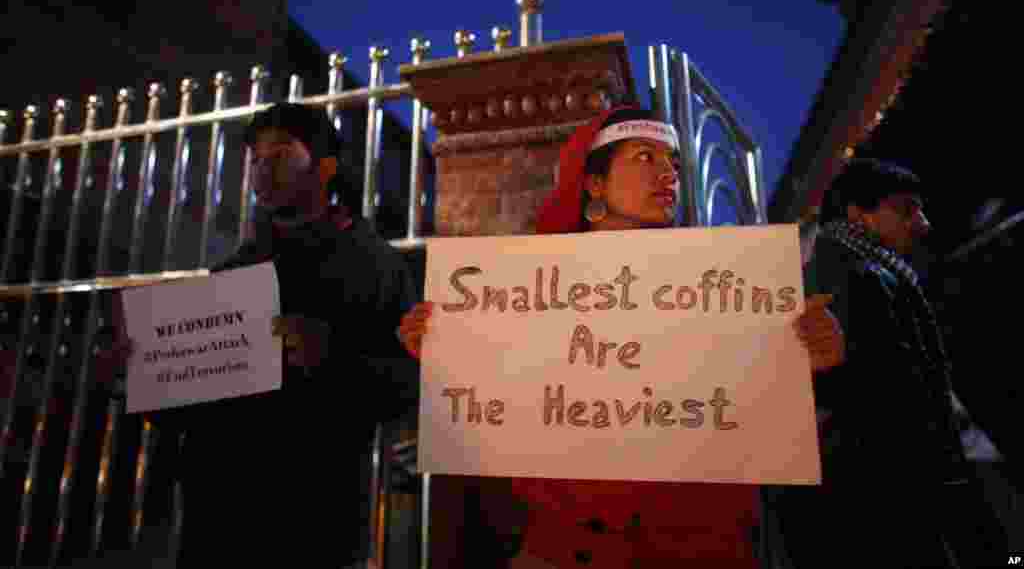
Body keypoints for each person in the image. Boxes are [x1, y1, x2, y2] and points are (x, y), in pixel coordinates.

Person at [400, 105, 844, 568]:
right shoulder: (524, 293)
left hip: (699, 549)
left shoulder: (721, 291)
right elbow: (490, 431)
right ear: (592, 182)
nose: (668, 172)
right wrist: (443, 350)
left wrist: (807, 356)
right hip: (563, 550)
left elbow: (759, 412)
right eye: (644, 157)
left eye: (672, 160)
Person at [99, 102, 418, 567]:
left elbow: (406, 385)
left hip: (313, 524)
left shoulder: (377, 266)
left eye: (281, 156)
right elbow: (185, 411)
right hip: (216, 523)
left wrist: (333, 356)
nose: (263, 170)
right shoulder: (231, 271)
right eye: (256, 160)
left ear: (325, 166)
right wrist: (135, 377)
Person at [763, 158, 1008, 569]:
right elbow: (875, 392)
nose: (923, 223)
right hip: (889, 492)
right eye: (907, 209)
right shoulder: (848, 278)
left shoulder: (871, 271)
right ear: (859, 214)